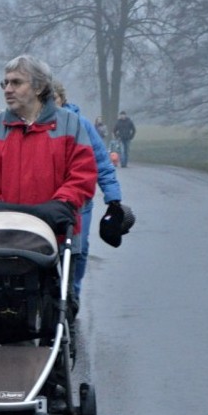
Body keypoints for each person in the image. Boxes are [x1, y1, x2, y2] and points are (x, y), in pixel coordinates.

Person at [0, 56, 97, 415]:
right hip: (2, 235)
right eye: (6, 82)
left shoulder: (69, 126)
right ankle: (11, 388)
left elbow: (83, 172)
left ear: (39, 87)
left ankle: (53, 383)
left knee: (53, 312)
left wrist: (63, 203)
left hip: (52, 237)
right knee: (7, 311)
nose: (7, 89)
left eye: (16, 83)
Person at [52, 82, 124, 299]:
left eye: (54, 97)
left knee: (79, 249)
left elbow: (102, 161)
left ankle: (72, 294)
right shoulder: (39, 125)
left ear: (62, 99)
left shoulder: (81, 125)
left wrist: (113, 199)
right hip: (48, 200)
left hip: (80, 201)